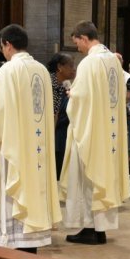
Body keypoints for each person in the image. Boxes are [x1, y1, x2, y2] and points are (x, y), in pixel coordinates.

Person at [0, 25, 61, 253]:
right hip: (37, 145)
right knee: (34, 187)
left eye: (1, 45)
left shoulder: (7, 71)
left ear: (7, 44)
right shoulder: (42, 70)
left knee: (13, 192)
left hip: (15, 147)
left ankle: (15, 247)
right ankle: (31, 242)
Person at [61, 21, 130, 245]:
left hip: (91, 131)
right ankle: (100, 228)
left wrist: (71, 94)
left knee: (87, 176)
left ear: (83, 37)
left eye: (76, 43)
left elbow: (80, 98)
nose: (77, 48)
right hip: (109, 130)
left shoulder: (90, 62)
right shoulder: (112, 60)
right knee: (104, 175)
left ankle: (90, 228)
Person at [47, 53, 75, 181]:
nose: (73, 69)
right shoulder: (49, 83)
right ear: (60, 67)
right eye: (71, 66)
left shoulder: (61, 85)